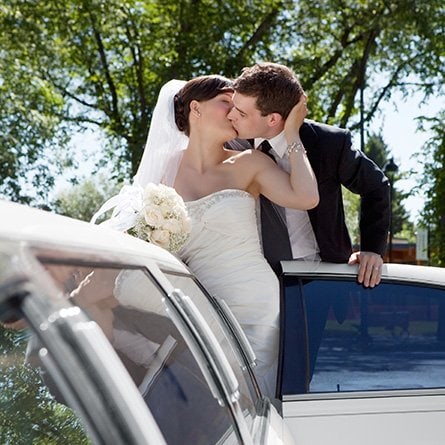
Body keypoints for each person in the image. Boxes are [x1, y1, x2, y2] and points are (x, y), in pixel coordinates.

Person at [93, 75, 319, 401]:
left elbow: (306, 197)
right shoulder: (162, 174)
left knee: (257, 402)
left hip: (258, 304)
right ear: (195, 109)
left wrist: (293, 134)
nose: (233, 113)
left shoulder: (250, 163)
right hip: (203, 313)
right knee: (228, 407)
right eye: (226, 103)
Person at [227, 62, 390, 288]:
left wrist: (372, 249)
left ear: (273, 119)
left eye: (241, 112)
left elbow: (376, 187)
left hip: (321, 276)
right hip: (252, 275)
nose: (231, 115)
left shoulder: (330, 143)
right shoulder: (232, 144)